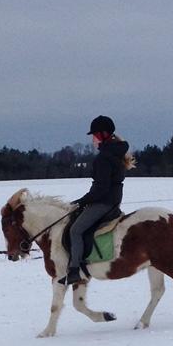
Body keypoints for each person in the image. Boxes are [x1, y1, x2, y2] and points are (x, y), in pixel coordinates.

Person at [61, 115, 132, 284]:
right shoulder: (116, 152)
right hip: (113, 200)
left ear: (103, 134)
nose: (93, 139)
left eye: (94, 135)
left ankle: (75, 270)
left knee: (75, 230)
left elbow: (101, 188)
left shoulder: (104, 157)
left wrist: (82, 201)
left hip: (103, 202)